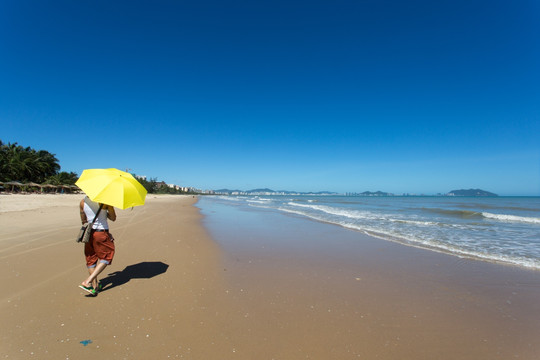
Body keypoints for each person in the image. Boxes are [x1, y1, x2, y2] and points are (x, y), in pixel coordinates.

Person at [79, 196, 116, 295]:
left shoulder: (82, 202)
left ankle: (95, 287)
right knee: (107, 256)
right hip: (101, 232)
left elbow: (84, 220)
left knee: (91, 258)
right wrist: (106, 212)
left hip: (89, 233)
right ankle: (88, 281)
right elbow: (113, 218)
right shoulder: (105, 201)